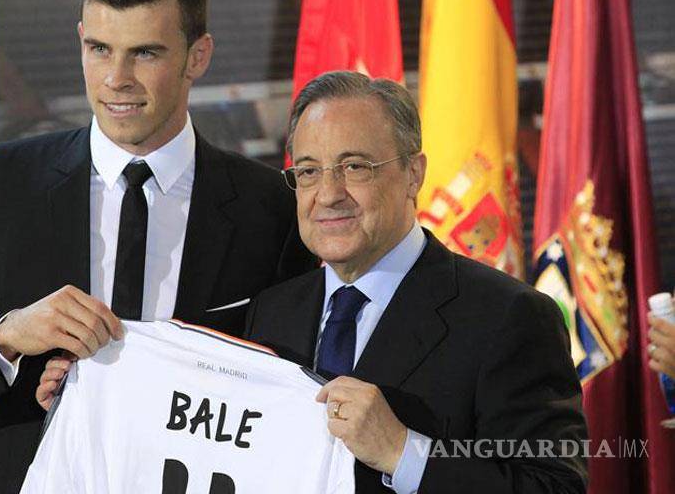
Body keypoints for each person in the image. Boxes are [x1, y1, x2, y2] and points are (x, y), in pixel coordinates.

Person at [0, 0, 314, 494]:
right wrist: (11, 335)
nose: (117, 78)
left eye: (145, 53)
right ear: (80, 42)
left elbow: (292, 400)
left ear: (198, 56)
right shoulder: (6, 182)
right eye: (99, 49)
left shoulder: (271, 208)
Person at [244, 71, 588, 492]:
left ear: (414, 173)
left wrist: (404, 453)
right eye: (309, 171)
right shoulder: (272, 313)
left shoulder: (510, 317)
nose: (328, 194)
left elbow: (555, 487)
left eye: (354, 167)